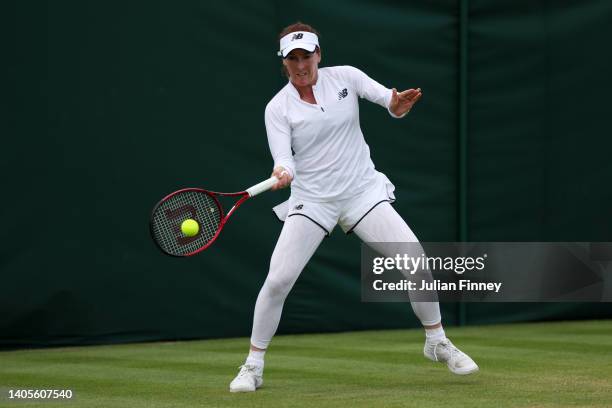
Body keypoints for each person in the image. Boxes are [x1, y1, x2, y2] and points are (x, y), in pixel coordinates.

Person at [229, 22, 478, 393]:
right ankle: (253, 365)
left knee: (415, 260)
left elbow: (389, 102)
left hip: (361, 191)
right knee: (278, 279)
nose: (301, 65)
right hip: (313, 199)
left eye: (306, 56)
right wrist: (283, 171)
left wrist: (397, 106)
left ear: (318, 55)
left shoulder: (346, 77)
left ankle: (437, 341)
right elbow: (285, 160)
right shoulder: (277, 109)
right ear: (283, 63)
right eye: (292, 58)